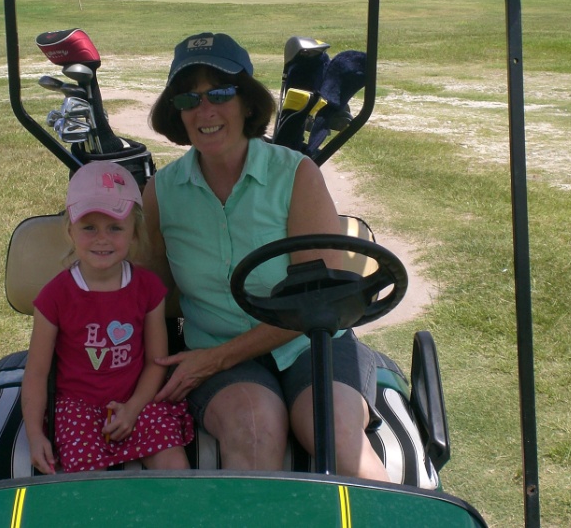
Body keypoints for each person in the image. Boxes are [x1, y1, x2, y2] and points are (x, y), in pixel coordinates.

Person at [141, 32, 390, 481]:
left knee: (337, 439)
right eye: (188, 98)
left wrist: (217, 359)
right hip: (212, 345)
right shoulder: (162, 193)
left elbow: (317, 303)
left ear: (248, 103)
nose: (205, 110)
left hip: (311, 340)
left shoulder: (295, 176)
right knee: (255, 432)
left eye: (220, 93)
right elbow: (151, 293)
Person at [22, 161, 193, 474]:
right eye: (89, 227)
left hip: (138, 398)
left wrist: (133, 409)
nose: (102, 238)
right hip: (79, 406)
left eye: (115, 227)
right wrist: (35, 435)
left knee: (174, 466)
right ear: (70, 230)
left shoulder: (148, 289)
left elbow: (157, 361)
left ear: (134, 232)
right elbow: (36, 372)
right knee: (85, 486)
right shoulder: (54, 296)